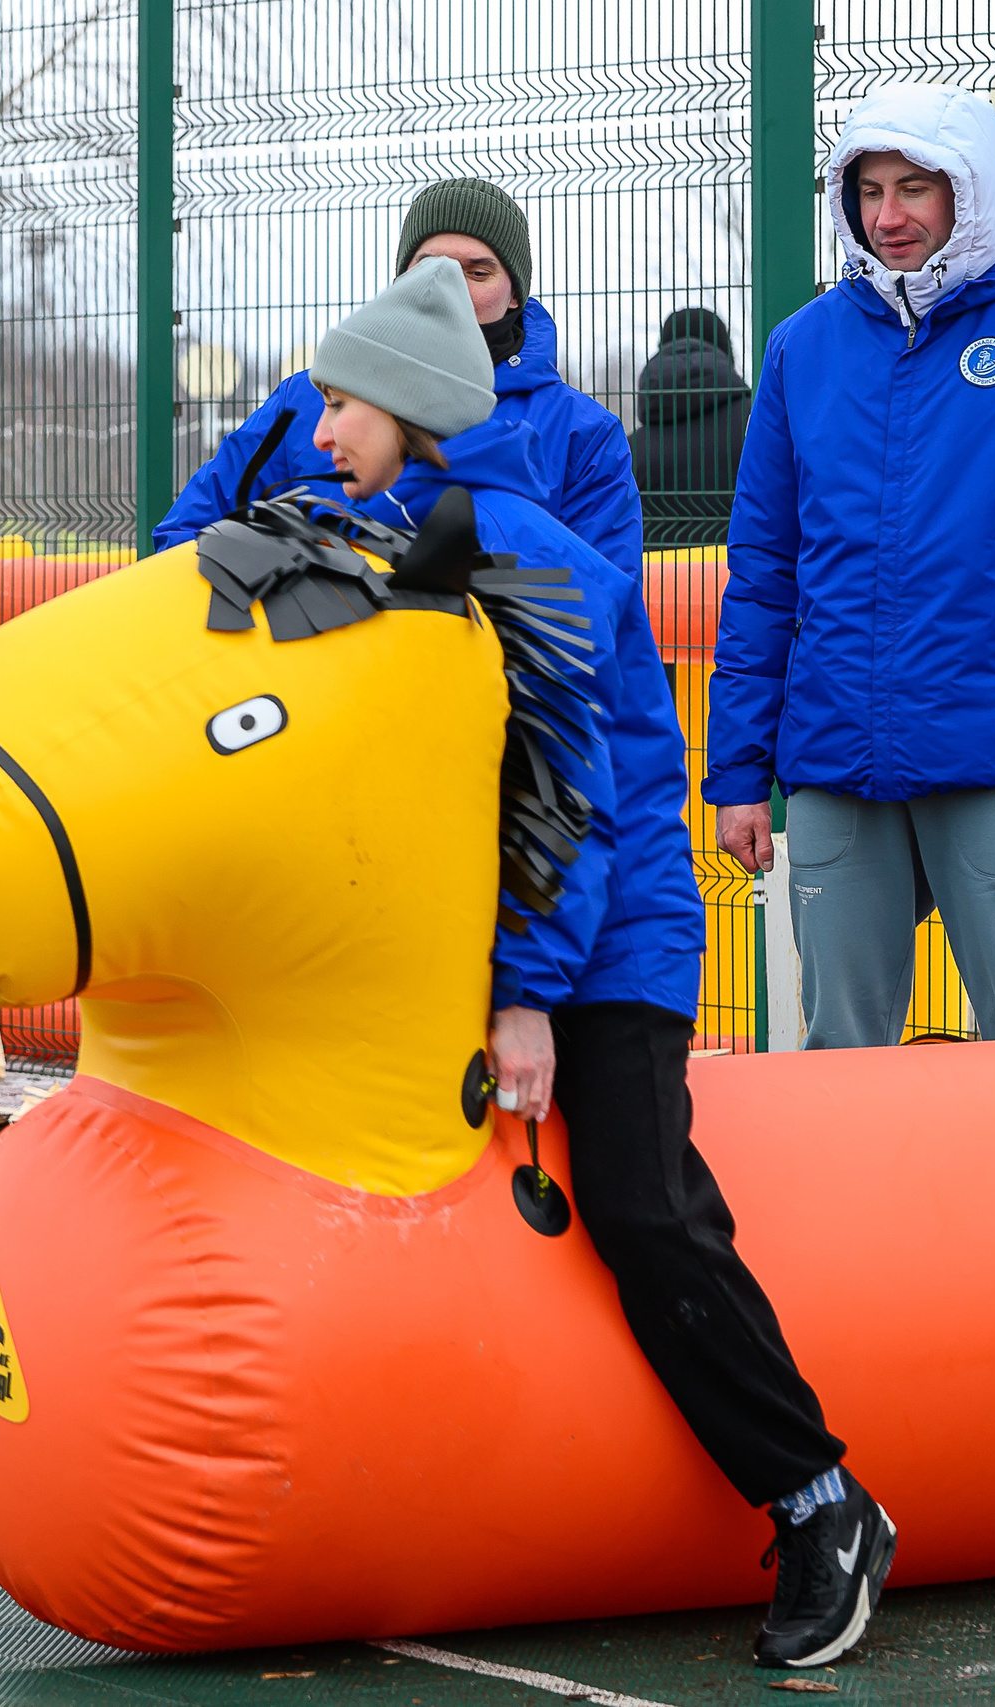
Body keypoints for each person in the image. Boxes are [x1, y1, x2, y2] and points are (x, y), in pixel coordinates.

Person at [315, 260, 894, 1671]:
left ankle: (822, 1494)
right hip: (508, 932)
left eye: (342, 401)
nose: (321, 427)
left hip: (612, 937)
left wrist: (529, 992)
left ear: (410, 408)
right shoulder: (416, 532)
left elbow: (569, 791)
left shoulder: (522, 550)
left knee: (646, 1209)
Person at [707, 84, 995, 1049]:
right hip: (838, 751)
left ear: (972, 192)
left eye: (916, 189)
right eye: (869, 191)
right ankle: (854, 1208)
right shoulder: (804, 348)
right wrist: (739, 771)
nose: (889, 217)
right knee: (840, 1047)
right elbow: (764, 571)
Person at [155, 177, 639, 565]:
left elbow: (602, 613)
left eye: (477, 272)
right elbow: (182, 540)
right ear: (401, 281)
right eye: (430, 267)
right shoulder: (303, 402)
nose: (450, 287)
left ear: (515, 293)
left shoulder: (583, 434)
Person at [628, 307, 752, 548]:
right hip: (743, 578)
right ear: (726, 351)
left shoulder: (627, 450)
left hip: (656, 581)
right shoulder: (757, 429)